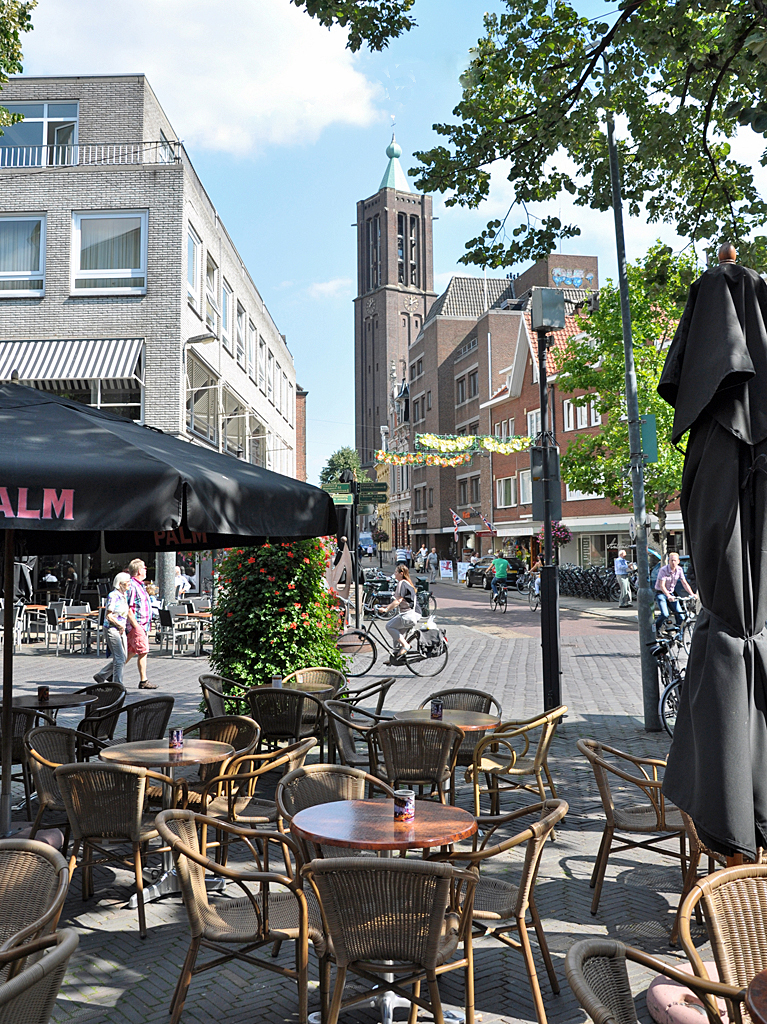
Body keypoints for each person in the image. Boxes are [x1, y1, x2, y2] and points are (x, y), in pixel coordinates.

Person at [93, 572, 134, 687]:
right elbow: (108, 615)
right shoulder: (113, 595)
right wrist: (119, 625)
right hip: (112, 628)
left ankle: (102, 675)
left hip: (121, 628)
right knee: (120, 658)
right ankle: (117, 686)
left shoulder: (124, 596)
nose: (129, 584)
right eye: (127, 582)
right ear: (120, 584)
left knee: (123, 657)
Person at [125, 558, 157, 689]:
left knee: (131, 651)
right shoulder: (132, 586)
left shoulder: (141, 585)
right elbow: (128, 607)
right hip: (136, 625)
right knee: (143, 651)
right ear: (139, 571)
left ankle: (108, 673)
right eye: (144, 568)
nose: (146, 570)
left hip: (142, 625)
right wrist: (136, 625)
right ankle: (143, 681)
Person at [383, 564, 421, 663]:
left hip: (409, 614)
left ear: (401, 573)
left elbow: (398, 601)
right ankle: (396, 657)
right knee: (397, 635)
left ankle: (406, 646)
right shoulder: (407, 583)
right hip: (414, 614)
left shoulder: (402, 583)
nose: (394, 574)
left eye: (396, 572)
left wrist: (386, 609)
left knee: (389, 626)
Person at [654, 551, 696, 632]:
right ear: (669, 561)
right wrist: (668, 595)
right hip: (661, 594)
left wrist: (692, 594)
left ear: (678, 561)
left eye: (675, 560)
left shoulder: (679, 570)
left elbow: (684, 583)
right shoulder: (663, 570)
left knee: (681, 616)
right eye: (671, 560)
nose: (673, 562)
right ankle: (657, 629)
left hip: (671, 594)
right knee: (665, 614)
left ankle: (678, 635)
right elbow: (662, 586)